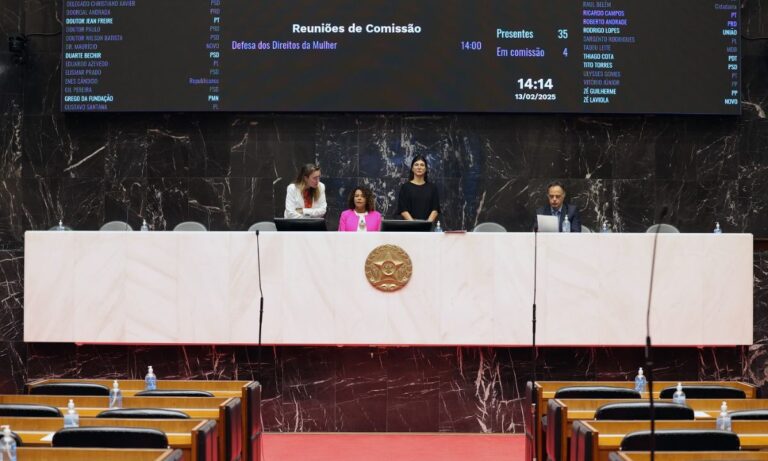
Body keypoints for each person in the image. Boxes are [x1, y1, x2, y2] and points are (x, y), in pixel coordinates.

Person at [396, 155, 440, 222]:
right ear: (412, 168)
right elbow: (403, 209)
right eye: (416, 165)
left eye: (422, 165)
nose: (419, 167)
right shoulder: (405, 187)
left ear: (426, 169)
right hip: (410, 228)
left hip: (428, 228)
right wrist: (414, 224)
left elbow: (435, 209)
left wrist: (427, 224)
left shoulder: (432, 188)